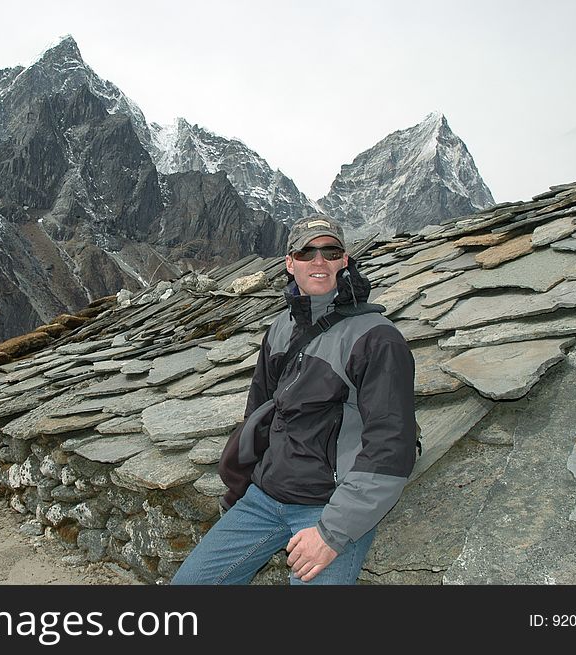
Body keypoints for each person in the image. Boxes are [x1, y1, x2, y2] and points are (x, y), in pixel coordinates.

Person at [171, 214, 416, 585]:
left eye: (330, 251)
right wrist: (240, 490)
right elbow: (259, 416)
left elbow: (390, 446)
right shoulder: (281, 329)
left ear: (344, 261)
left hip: (328, 507)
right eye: (306, 252)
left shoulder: (376, 338)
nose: (318, 261)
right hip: (264, 500)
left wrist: (332, 532)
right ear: (290, 263)